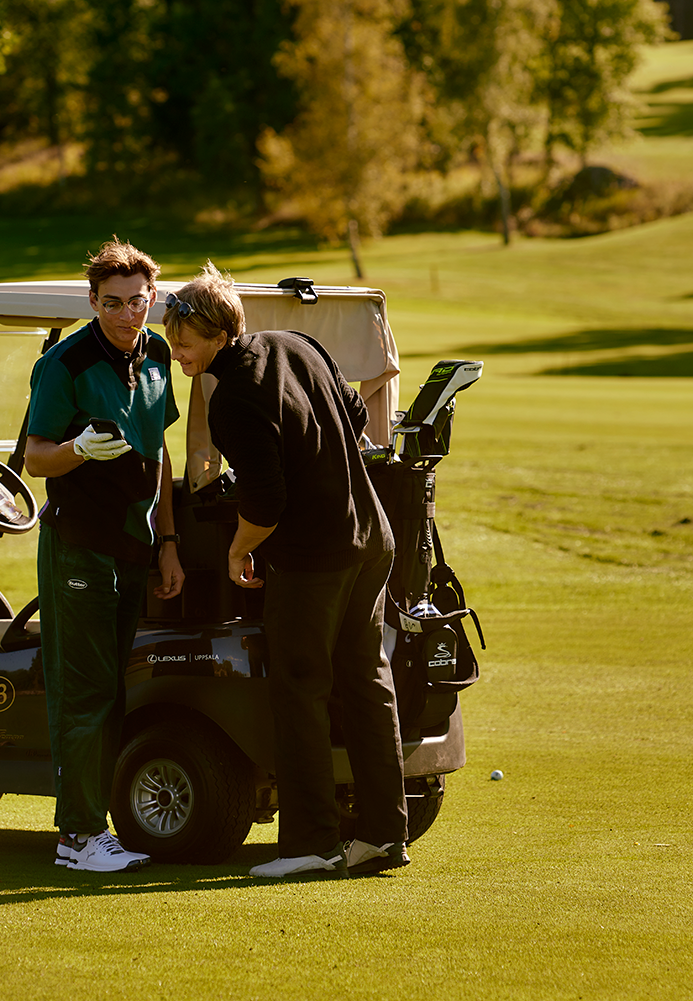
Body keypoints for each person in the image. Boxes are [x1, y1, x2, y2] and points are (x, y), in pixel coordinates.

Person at [164, 262, 408, 877]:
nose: (177, 351)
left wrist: (238, 548)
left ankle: (312, 845)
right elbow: (353, 413)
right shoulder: (297, 344)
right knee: (365, 680)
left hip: (316, 558)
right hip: (371, 538)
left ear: (220, 333)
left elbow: (265, 504)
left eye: (185, 340)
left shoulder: (233, 401)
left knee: (300, 689)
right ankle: (382, 834)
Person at [24, 238, 185, 873]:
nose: (126, 315)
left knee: (112, 689)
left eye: (137, 302)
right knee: (84, 690)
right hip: (78, 547)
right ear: (93, 301)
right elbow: (37, 456)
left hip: (132, 545)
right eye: (113, 303)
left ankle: (95, 829)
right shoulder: (64, 365)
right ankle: (77, 838)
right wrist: (77, 452)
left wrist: (168, 544)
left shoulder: (158, 355)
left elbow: (160, 453)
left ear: (152, 299)